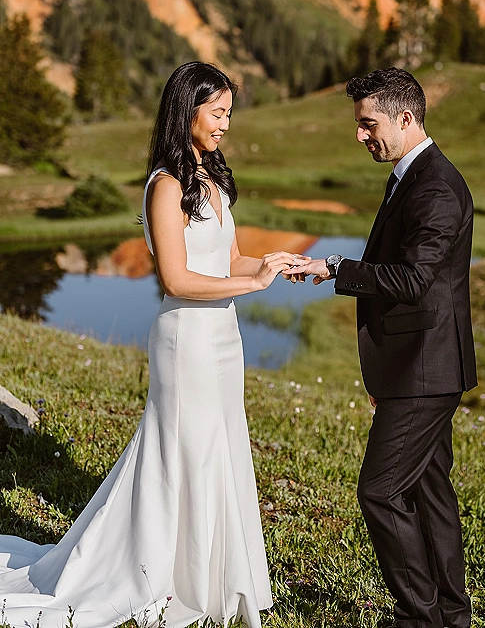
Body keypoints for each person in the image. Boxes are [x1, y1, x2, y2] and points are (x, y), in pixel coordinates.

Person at [0, 62, 306, 628]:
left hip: (223, 338)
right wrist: (254, 284)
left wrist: (270, 264)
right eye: (217, 114)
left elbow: (226, 260)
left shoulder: (213, 179)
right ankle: (156, 576)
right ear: (187, 110)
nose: (225, 126)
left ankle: (211, 579)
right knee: (180, 453)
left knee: (219, 448)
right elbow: (176, 279)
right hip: (185, 339)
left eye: (229, 115)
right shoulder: (165, 185)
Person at [286, 67, 477, 628]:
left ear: (406, 118)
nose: (360, 135)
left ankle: (417, 617)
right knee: (429, 490)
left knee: (380, 491)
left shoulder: (436, 186)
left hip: (424, 368)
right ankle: (449, 613)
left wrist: (334, 267)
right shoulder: (411, 175)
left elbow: (414, 279)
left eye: (369, 124)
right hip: (420, 365)